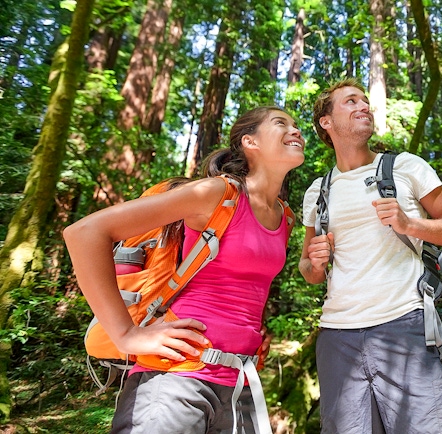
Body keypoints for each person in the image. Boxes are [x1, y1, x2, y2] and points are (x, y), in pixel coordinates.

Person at [64, 106, 305, 434]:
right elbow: (85, 233)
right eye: (281, 124)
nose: (296, 130)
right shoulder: (218, 193)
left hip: (239, 386)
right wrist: (127, 334)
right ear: (251, 142)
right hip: (176, 380)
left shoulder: (284, 216)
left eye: (295, 125)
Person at [299, 78, 442, 434]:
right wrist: (315, 262)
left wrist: (410, 224)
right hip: (337, 338)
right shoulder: (318, 191)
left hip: (404, 325)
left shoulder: (406, 167)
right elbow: (309, 270)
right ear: (326, 123)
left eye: (365, 101)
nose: (364, 106)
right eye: (350, 102)